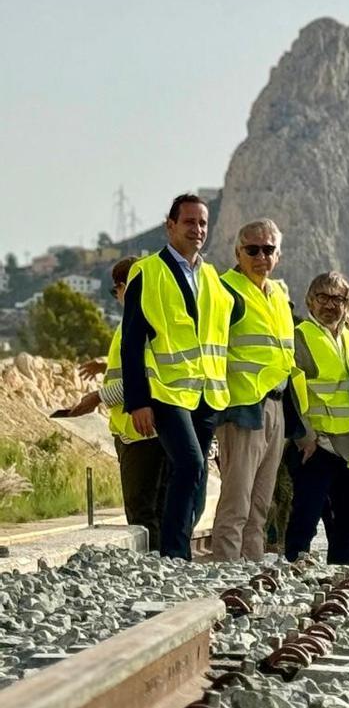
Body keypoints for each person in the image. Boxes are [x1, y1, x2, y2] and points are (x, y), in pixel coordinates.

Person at [121, 193, 241, 560]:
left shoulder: (210, 276)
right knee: (190, 464)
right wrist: (138, 401)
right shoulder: (148, 272)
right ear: (170, 225)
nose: (198, 229)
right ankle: (174, 554)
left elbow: (230, 317)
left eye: (203, 223)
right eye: (189, 222)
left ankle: (178, 545)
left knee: (197, 475)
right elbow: (131, 342)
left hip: (206, 393)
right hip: (167, 391)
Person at [210, 219, 300, 561]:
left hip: (276, 405)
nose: (261, 256)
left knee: (261, 503)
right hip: (242, 407)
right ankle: (226, 570)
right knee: (237, 500)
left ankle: (251, 568)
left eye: (268, 249)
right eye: (252, 250)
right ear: (238, 253)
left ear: (278, 255)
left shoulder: (278, 294)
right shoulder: (225, 291)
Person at [66, 257, 165, 550]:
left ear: (126, 287)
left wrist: (97, 397)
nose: (117, 297)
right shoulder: (139, 320)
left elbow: (145, 377)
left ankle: (154, 566)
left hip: (141, 431)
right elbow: (130, 366)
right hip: (139, 430)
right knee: (154, 508)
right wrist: (104, 365)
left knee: (143, 511)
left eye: (116, 290)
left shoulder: (141, 320)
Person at [285, 271, 349, 564]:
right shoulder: (301, 337)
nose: (330, 304)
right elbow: (292, 391)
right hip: (315, 445)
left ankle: (339, 575)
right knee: (305, 518)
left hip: (348, 446)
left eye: (338, 299)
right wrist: (304, 437)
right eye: (323, 297)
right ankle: (295, 571)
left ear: (348, 305)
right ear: (310, 301)